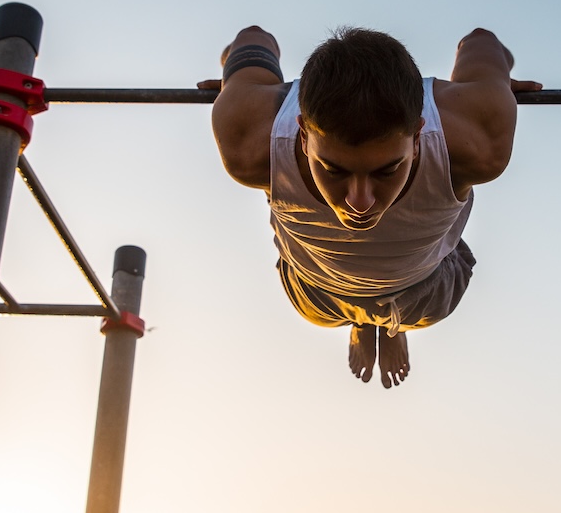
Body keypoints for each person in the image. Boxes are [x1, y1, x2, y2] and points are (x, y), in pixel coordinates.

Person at [201, 25, 539, 389]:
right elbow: (254, 35)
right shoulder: (247, 139)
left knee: (416, 297)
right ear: (302, 134)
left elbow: (481, 39)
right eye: (333, 169)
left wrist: (234, 85)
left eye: (386, 170)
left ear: (417, 135)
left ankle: (385, 322)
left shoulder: (478, 137)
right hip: (318, 294)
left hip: (421, 295)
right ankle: (373, 322)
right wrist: (492, 86)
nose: (358, 203)